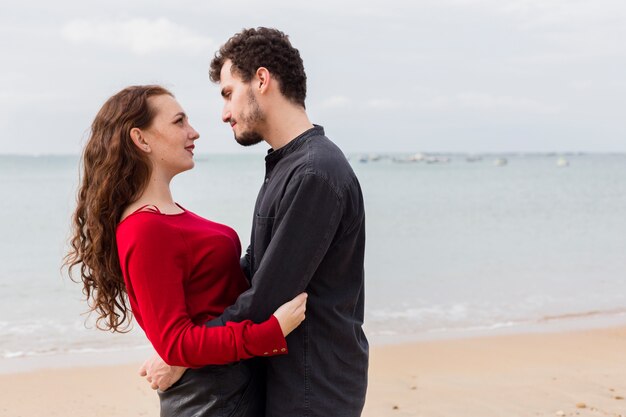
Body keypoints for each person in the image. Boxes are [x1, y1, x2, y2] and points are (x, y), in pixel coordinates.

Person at [144, 27, 369, 417]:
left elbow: (267, 298)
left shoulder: (314, 173)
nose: (225, 113)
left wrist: (183, 354)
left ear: (262, 80)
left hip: (313, 388)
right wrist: (188, 342)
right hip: (286, 379)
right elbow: (253, 269)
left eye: (229, 93)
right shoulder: (288, 165)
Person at [64, 84, 308, 417]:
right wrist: (270, 333)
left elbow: (205, 296)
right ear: (141, 139)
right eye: (179, 122)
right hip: (212, 398)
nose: (193, 132)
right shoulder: (145, 228)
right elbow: (175, 343)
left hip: (226, 386)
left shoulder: (167, 215)